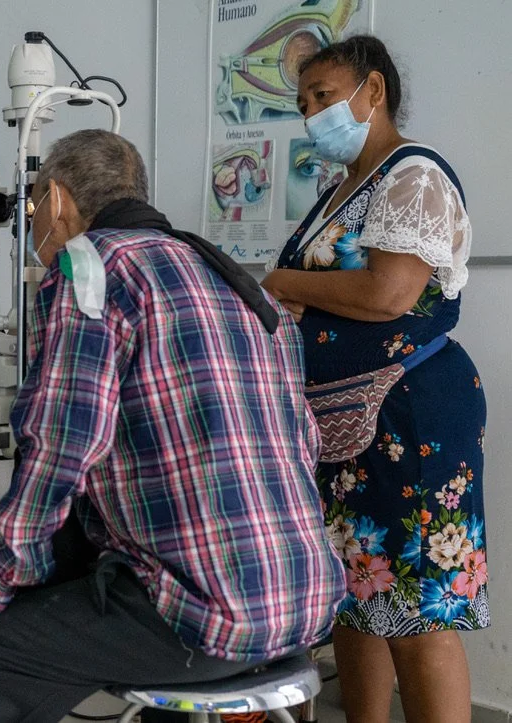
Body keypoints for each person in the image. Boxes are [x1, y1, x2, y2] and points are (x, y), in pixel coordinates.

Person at [0, 129, 345, 723]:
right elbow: (303, 441)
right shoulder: (243, 284)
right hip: (305, 602)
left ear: (54, 201)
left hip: (204, 617)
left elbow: (63, 443)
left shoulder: (90, 266)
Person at [262, 36, 486, 723]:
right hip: (336, 427)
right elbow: (337, 291)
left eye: (324, 97)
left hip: (406, 414)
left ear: (373, 90)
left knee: (416, 607)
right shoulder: (338, 193)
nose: (311, 115)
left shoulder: (410, 176)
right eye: (303, 104)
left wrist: (281, 280)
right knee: (357, 598)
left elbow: (388, 292)